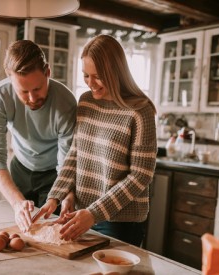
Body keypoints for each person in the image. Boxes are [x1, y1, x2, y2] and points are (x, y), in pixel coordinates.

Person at [33, 34, 157, 246]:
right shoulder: (86, 101)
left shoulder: (139, 110)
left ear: (115, 73)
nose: (91, 83)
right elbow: (76, 153)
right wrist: (55, 197)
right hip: (81, 214)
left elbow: (140, 176)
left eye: (97, 76)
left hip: (120, 221)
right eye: (86, 76)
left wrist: (94, 213)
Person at [0, 40, 77, 232]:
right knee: (21, 231)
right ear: (10, 79)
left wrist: (67, 194)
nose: (33, 99)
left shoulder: (66, 103)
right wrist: (17, 203)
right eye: (23, 92)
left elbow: (65, 162)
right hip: (19, 169)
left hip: (54, 176)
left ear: (48, 72)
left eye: (37, 88)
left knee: (49, 233)